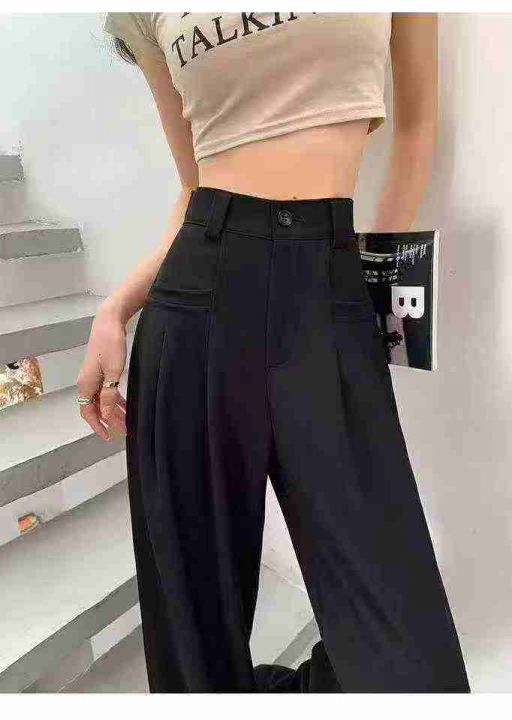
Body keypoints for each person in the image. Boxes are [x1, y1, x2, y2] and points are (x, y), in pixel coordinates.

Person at [76, 12, 470, 692]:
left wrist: (370, 296)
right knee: (194, 641)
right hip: (198, 300)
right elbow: (193, 187)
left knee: (413, 666)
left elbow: (417, 126)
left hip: (330, 286)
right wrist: (115, 309)